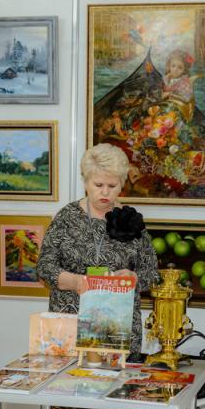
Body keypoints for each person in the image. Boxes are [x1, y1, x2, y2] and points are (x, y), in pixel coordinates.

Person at [36, 143, 159, 358]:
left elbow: (152, 273)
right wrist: (75, 282)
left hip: (118, 330)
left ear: (122, 184)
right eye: (98, 184)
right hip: (69, 329)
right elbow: (44, 267)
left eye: (112, 185)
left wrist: (134, 278)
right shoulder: (67, 217)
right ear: (85, 182)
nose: (105, 192)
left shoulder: (131, 221)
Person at [162, 49, 200, 121]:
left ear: (184, 70)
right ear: (169, 66)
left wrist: (171, 94)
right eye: (173, 66)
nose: (175, 70)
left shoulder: (184, 82)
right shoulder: (168, 78)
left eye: (180, 68)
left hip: (180, 107)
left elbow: (187, 99)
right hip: (169, 103)